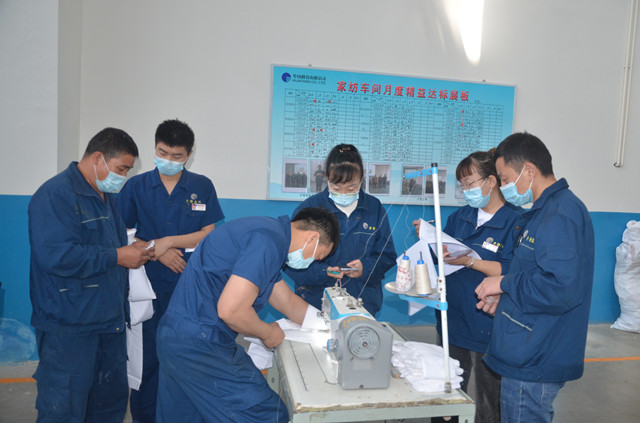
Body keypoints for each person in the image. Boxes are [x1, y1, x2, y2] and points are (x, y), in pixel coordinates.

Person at [155, 207, 340, 423]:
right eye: (318, 256)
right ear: (312, 238)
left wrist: (333, 326)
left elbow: (288, 302)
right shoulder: (269, 242)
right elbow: (231, 311)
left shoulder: (266, 233)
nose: (312, 262)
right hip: (202, 345)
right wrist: (267, 333)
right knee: (268, 415)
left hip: (176, 339)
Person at [28, 128, 154, 423]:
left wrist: (130, 248)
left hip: (108, 325)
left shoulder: (105, 196)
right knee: (64, 409)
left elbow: (106, 245)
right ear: (98, 158)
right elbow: (57, 256)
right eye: (121, 169)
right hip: (69, 328)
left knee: (107, 407)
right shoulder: (55, 196)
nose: (123, 177)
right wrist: (118, 256)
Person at [475, 132, 594, 423]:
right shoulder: (542, 212)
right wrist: (505, 296)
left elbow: (560, 287)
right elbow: (534, 275)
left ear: (529, 170)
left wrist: (503, 282)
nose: (503, 187)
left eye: (505, 178)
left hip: (537, 354)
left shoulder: (560, 214)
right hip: (527, 345)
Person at [116, 119, 224, 423]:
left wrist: (169, 242)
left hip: (190, 288)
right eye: (163, 153)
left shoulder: (201, 186)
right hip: (146, 287)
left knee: (186, 359)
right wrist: (156, 252)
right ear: (155, 148)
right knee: (146, 362)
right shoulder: (136, 186)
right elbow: (124, 234)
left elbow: (208, 234)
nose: (169, 160)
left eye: (177, 156)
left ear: (189, 155)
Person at [414, 151, 523, 423]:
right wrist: (431, 241)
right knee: (447, 393)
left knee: (490, 401)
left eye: (470, 183)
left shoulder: (516, 221)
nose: (466, 191)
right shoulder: (460, 217)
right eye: (462, 185)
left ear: (491, 181)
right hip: (453, 317)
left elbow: (512, 270)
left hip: (490, 321)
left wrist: (471, 262)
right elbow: (444, 256)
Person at [284, 144, 396, 316]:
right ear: (327, 178)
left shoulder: (374, 208)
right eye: (336, 188)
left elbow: (386, 255)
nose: (343, 194)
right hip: (316, 301)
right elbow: (291, 260)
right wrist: (324, 272)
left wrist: (365, 268)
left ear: (362, 179)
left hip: (363, 300)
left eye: (351, 188)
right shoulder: (310, 208)